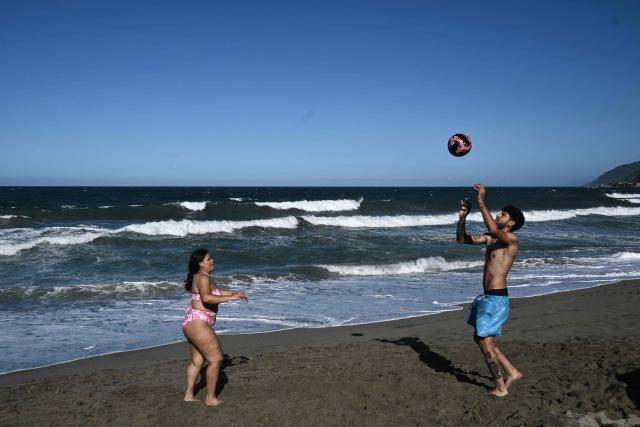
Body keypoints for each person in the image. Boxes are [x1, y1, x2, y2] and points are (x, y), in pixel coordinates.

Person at [456, 184, 525, 398]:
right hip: (486, 298)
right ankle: (512, 372)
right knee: (481, 339)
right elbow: (462, 240)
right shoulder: (491, 239)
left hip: (496, 299)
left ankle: (501, 387)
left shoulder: (511, 241)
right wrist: (462, 217)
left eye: (502, 214)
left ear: (511, 223)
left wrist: (481, 201)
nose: (498, 215)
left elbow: (495, 230)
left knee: (485, 342)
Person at [182, 248, 247, 406]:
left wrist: (233, 293)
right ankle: (210, 399)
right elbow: (207, 297)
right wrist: (231, 298)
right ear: (201, 264)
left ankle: (189, 395)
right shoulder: (203, 278)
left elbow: (215, 292)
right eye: (209, 259)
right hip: (198, 322)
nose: (212, 261)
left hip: (191, 322)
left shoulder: (201, 276)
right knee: (216, 360)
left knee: (197, 361)